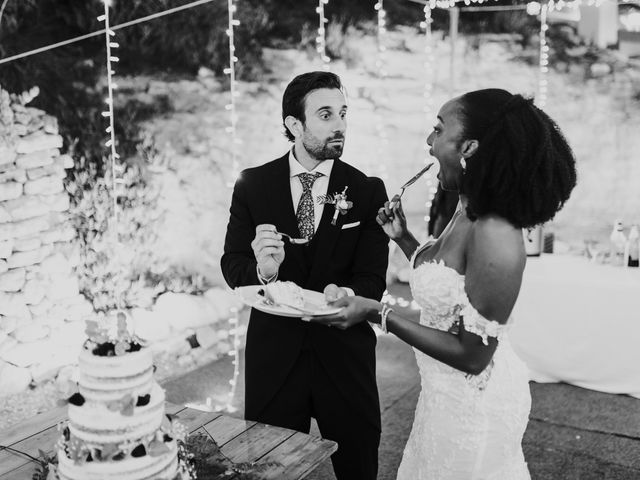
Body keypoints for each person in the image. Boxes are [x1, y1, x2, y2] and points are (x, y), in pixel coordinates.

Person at [312, 88, 577, 479]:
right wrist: (403, 238)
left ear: (468, 147)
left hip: (475, 402)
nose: (429, 141)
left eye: (438, 130)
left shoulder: (496, 232)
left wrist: (376, 312)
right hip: (441, 393)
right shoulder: (465, 206)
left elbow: (473, 356)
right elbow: (451, 280)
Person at [220, 71, 389, 480]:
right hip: (275, 359)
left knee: (359, 468)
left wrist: (344, 293)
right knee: (266, 470)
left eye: (343, 113)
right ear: (294, 125)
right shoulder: (253, 185)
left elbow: (372, 278)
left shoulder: (367, 191)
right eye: (326, 115)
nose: (340, 125)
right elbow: (232, 265)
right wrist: (264, 270)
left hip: (345, 357)